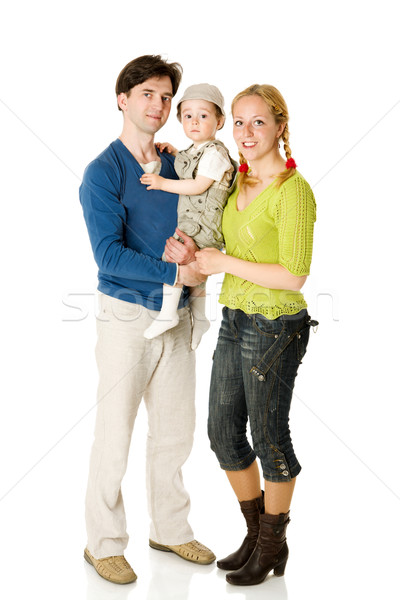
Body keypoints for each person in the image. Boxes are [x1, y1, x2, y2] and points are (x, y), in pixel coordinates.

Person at [79, 55, 215, 586]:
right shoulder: (104, 171)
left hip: (177, 318)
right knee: (114, 434)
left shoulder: (174, 163)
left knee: (175, 434)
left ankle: (172, 530)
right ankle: (103, 544)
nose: (157, 106)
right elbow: (107, 256)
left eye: (165, 97)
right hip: (126, 318)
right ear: (122, 99)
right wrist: (172, 275)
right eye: (147, 95)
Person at [195, 84, 318, 586]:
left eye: (258, 122)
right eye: (239, 123)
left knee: (269, 438)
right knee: (223, 432)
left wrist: (222, 262)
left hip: (276, 326)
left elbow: (294, 274)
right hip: (235, 318)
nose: (246, 133)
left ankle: (271, 545)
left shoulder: (294, 191)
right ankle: (257, 535)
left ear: (280, 128)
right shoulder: (235, 183)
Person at [140, 84, 237, 349]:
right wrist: (174, 151)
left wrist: (161, 182)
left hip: (204, 223)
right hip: (194, 220)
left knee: (172, 259)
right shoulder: (196, 150)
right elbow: (189, 165)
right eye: (188, 116)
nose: (194, 121)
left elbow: (197, 185)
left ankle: (168, 314)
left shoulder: (215, 153)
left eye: (203, 116)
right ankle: (201, 318)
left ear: (219, 121)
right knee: (195, 274)